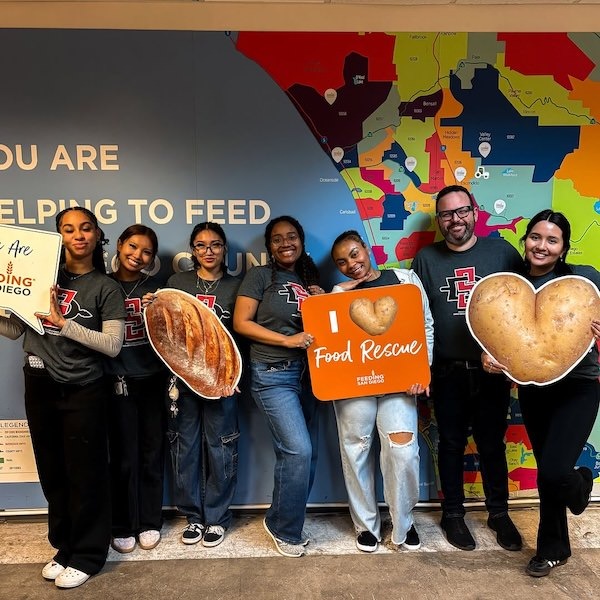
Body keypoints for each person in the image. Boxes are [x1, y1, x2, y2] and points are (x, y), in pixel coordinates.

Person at [0, 207, 125, 589]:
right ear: (59, 236)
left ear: (97, 234)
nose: (78, 235)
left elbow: (112, 345)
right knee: (53, 471)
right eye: (69, 229)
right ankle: (64, 547)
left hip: (83, 388)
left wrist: (63, 324)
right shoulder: (41, 276)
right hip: (38, 381)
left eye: (85, 228)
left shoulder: (106, 287)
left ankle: (88, 555)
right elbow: (13, 330)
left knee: (85, 474)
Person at [483, 209, 600, 577]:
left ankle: (581, 482)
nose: (542, 246)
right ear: (526, 240)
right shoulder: (512, 286)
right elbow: (494, 330)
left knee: (553, 471)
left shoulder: (584, 279)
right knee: (548, 471)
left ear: (563, 247)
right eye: (535, 237)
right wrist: (487, 354)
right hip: (535, 389)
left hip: (579, 387)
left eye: (552, 240)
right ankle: (553, 550)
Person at [412, 184, 523, 552]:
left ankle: (499, 513)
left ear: (475, 212)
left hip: (493, 371)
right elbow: (415, 317)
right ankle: (453, 514)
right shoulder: (426, 259)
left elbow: (526, 305)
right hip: (446, 371)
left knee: (492, 444)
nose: (455, 219)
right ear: (439, 220)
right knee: (451, 444)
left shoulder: (502, 252)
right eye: (446, 214)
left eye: (462, 211)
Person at [329, 230, 434, 553]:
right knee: (356, 449)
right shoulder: (338, 294)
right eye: (342, 262)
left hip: (399, 383)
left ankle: (404, 522)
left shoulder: (404, 280)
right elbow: (330, 337)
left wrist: (421, 370)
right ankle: (366, 525)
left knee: (402, 452)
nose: (351, 264)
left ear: (365, 248)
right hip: (354, 385)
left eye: (354, 254)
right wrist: (338, 293)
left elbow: (425, 325)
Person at [233, 215, 323, 558]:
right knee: (298, 450)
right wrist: (287, 341)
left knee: (307, 455)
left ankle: (288, 520)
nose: (286, 243)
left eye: (292, 236)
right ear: (269, 246)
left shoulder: (309, 278)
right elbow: (242, 322)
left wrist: (321, 299)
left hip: (309, 376)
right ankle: (283, 527)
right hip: (272, 373)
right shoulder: (259, 276)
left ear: (301, 240)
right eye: (277, 239)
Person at [157, 222, 241, 548]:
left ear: (224, 248)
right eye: (201, 245)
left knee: (222, 447)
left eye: (215, 244)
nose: (209, 251)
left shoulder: (237, 286)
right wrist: (155, 305)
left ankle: (217, 518)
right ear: (192, 250)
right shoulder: (177, 284)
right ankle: (192, 516)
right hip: (181, 380)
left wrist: (235, 377)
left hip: (222, 382)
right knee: (184, 447)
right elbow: (167, 332)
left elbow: (242, 338)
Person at [105, 224, 167, 554]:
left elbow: (172, 337)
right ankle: (122, 523)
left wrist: (157, 311)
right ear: (119, 245)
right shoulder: (103, 284)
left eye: (146, 252)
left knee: (151, 453)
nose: (137, 255)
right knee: (121, 457)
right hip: (114, 381)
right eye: (132, 246)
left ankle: (150, 520)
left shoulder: (157, 289)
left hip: (151, 380)